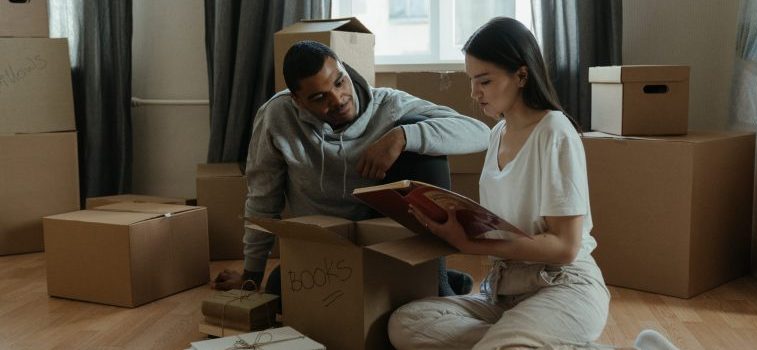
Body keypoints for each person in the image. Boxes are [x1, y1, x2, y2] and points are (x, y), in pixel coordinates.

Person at [387, 16, 609, 349]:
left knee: (499, 344)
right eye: (472, 80)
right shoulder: (497, 134)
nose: (474, 93)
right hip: (504, 290)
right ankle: (540, 342)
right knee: (405, 324)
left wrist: (472, 245)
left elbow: (564, 247)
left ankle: (525, 340)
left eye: (485, 81)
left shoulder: (554, 132)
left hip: (562, 286)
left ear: (521, 75)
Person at [213, 40, 491, 300]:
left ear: (344, 68)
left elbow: (480, 133)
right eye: (320, 97)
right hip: (326, 245)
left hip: (385, 239)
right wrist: (251, 277)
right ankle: (412, 281)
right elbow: (263, 199)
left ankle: (438, 283)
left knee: (421, 133)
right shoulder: (277, 116)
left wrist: (402, 136)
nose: (338, 100)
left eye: (339, 81)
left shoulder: (388, 105)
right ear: (297, 101)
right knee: (279, 292)